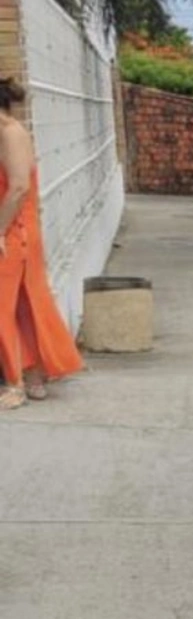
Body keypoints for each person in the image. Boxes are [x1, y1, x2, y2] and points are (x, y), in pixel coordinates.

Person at [0, 77, 83, 409]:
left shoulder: (11, 134)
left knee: (5, 307)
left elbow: (18, 187)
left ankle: (16, 385)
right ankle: (32, 377)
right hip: (13, 231)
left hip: (13, 233)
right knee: (23, 305)